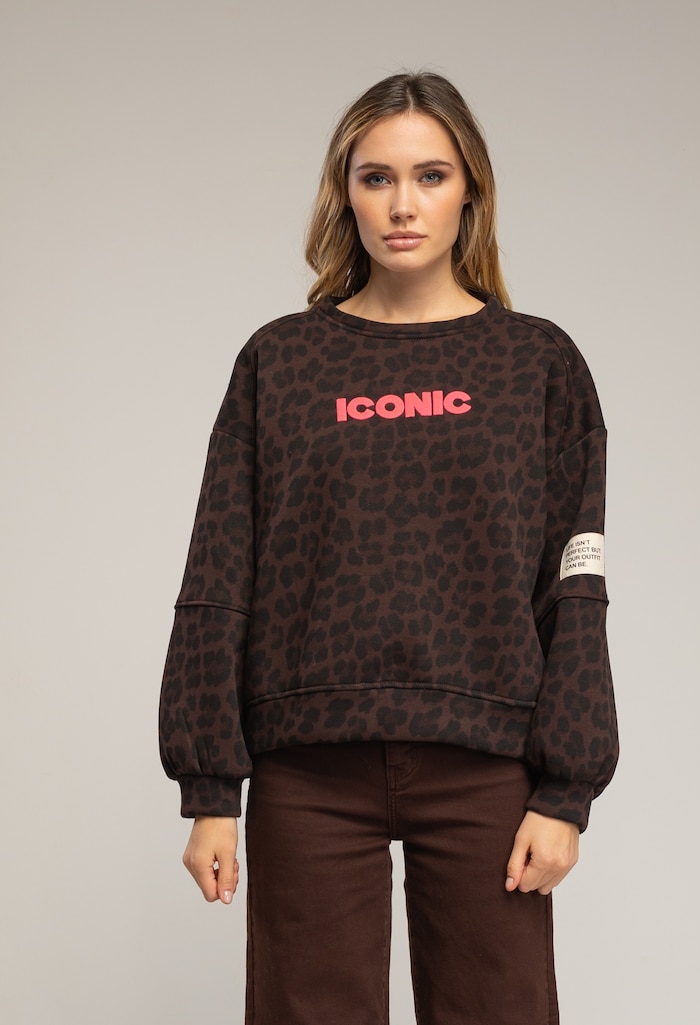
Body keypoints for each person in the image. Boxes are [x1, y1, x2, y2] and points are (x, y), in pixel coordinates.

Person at [160, 70, 618, 1025]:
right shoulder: (280, 360)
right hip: (308, 768)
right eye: (377, 178)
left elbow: (573, 583)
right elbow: (218, 571)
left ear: (470, 191)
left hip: (487, 764)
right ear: (347, 194)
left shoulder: (537, 363)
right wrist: (210, 788)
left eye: (430, 175)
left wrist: (566, 790)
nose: (403, 204)